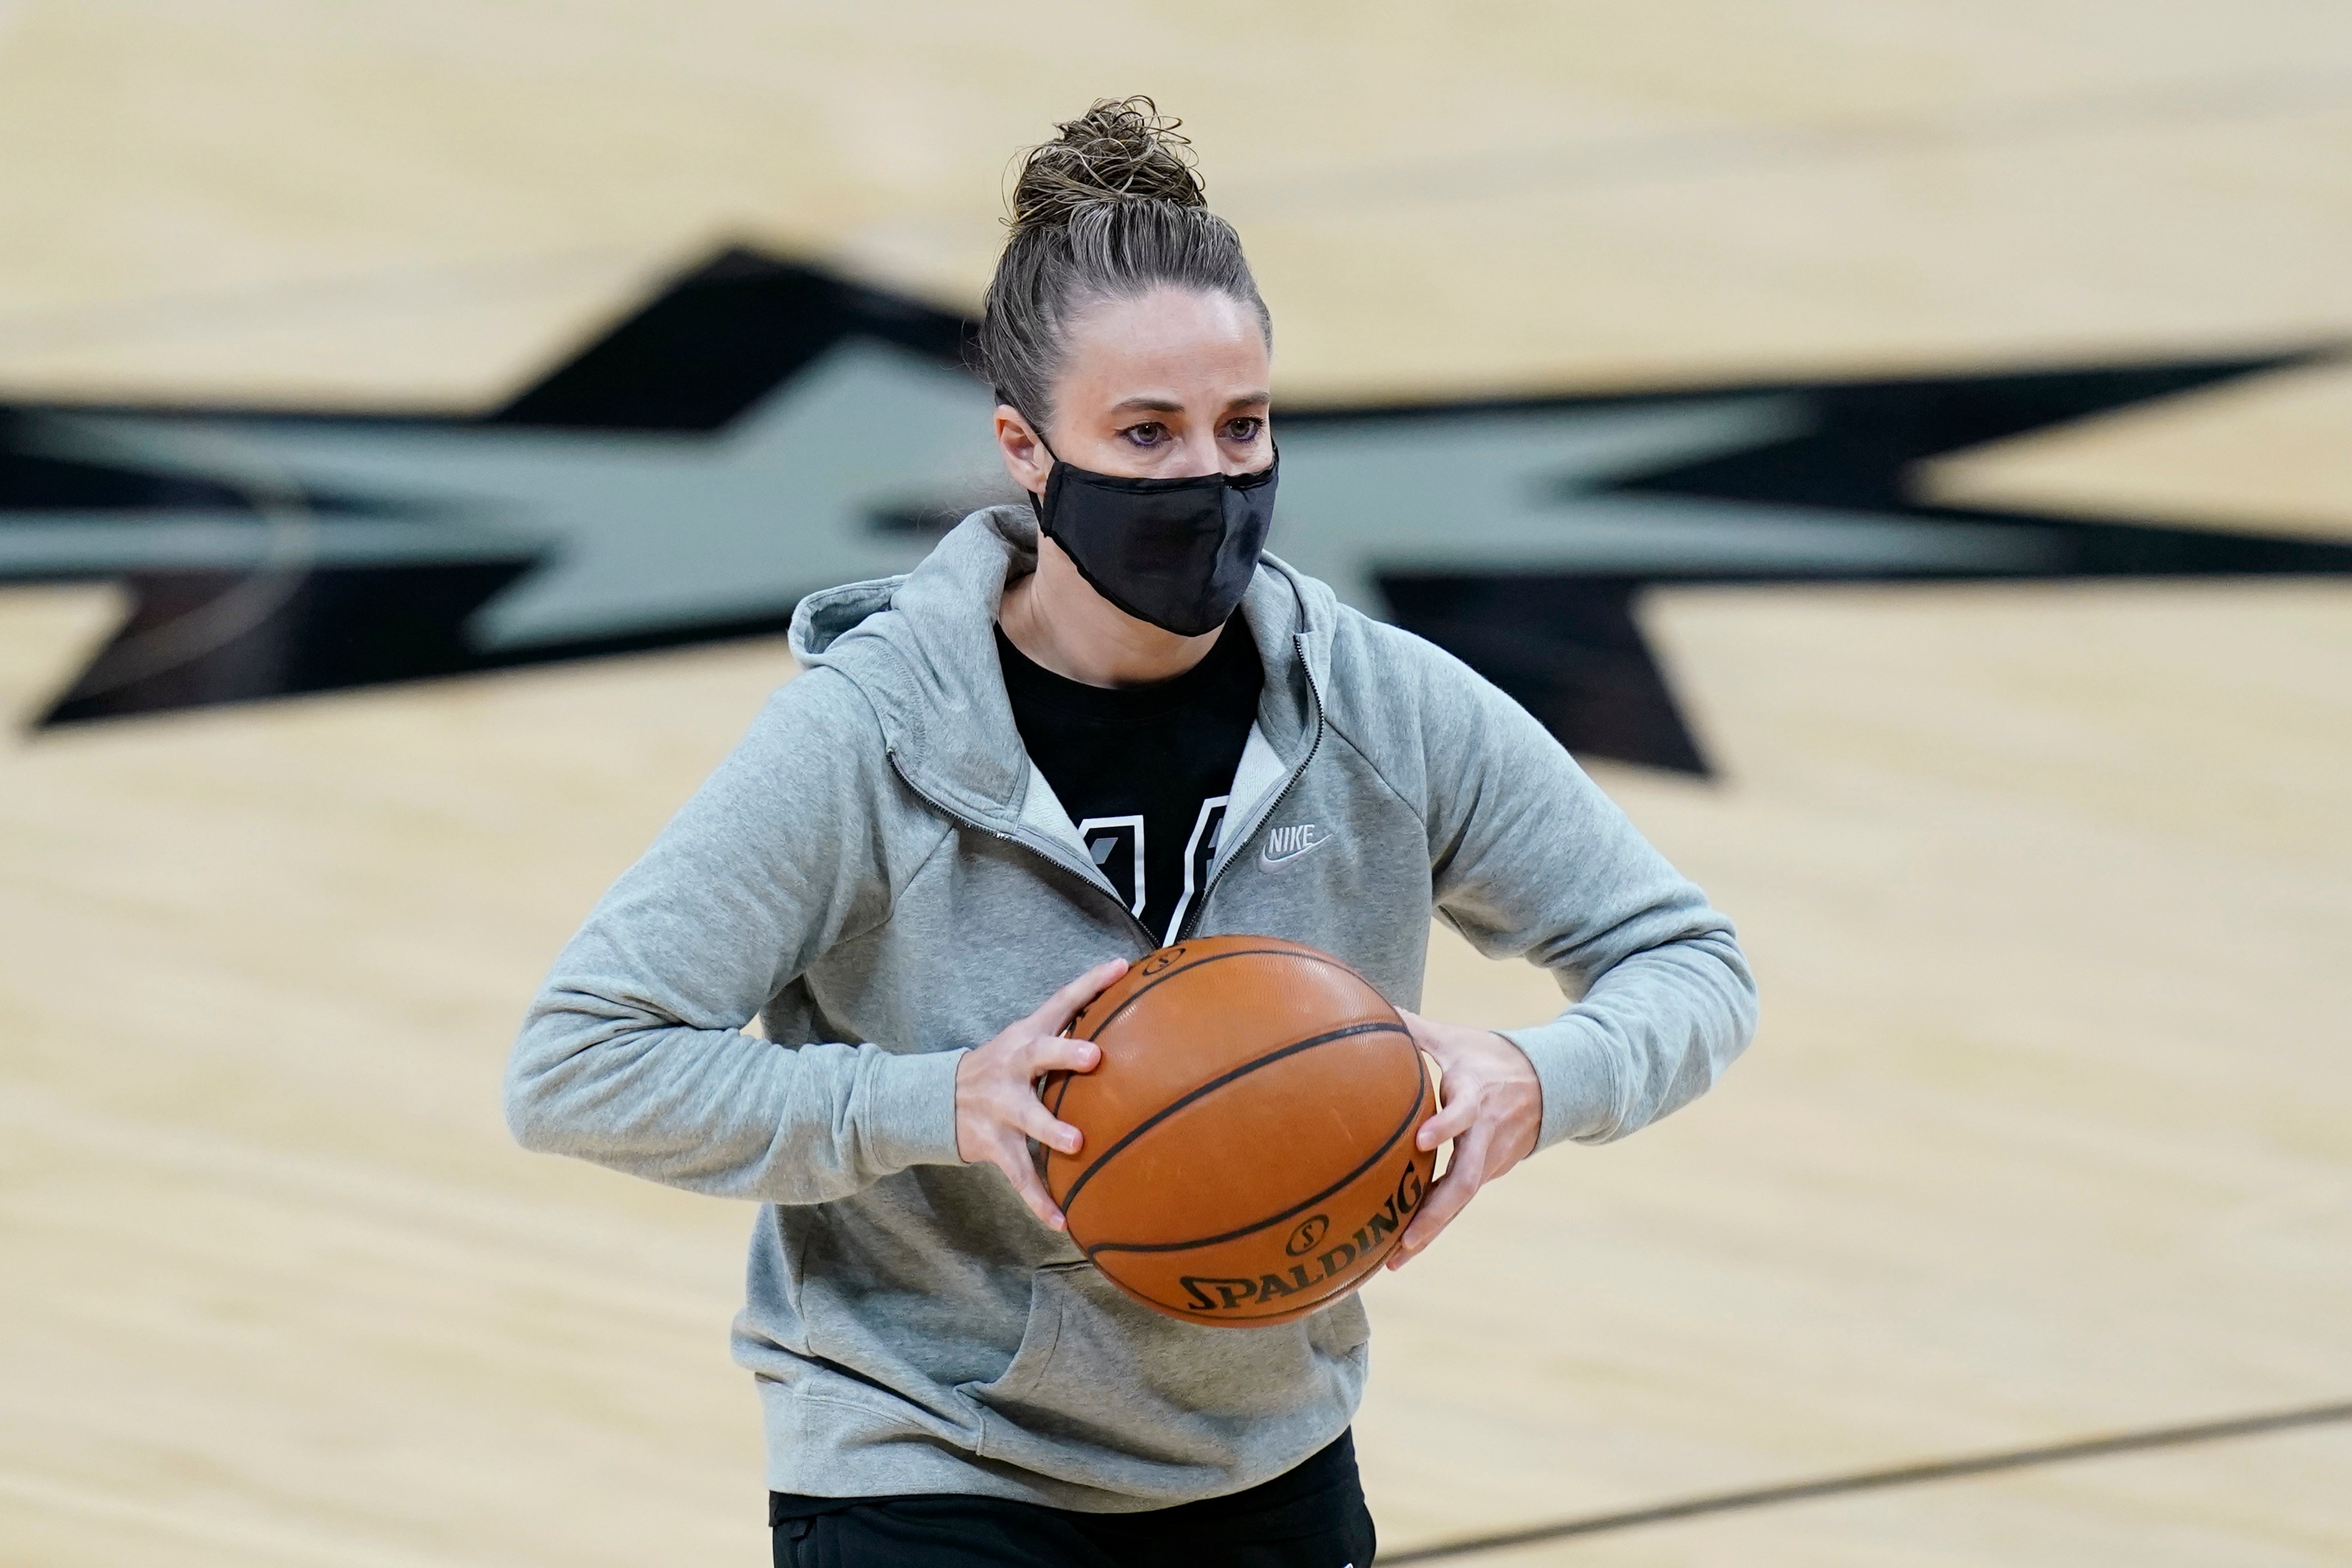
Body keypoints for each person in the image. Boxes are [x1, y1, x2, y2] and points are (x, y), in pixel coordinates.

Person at [506, 96, 1756, 1568]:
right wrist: (934, 1100)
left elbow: (1685, 959)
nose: (1207, 483)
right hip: (927, 1450)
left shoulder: (1379, 706)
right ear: (1025, 451)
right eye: (1145, 434)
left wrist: (1540, 1077)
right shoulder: (867, 739)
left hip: (1260, 1450)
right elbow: (578, 1063)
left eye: (1244, 427)